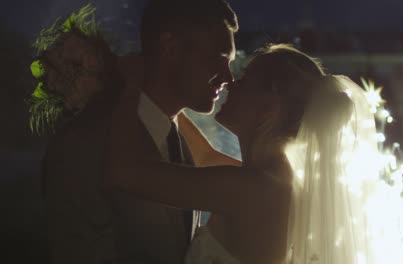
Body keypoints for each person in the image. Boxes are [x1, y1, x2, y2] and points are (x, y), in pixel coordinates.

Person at [106, 44, 378, 264]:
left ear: (270, 107)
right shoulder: (274, 182)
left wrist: (129, 88)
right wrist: (165, 97)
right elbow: (205, 157)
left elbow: (122, 172)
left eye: (246, 79)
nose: (231, 83)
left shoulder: (248, 189)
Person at [42, 0, 239, 263]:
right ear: (170, 47)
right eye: (220, 58)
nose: (229, 77)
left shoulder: (177, 137)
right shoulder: (85, 143)